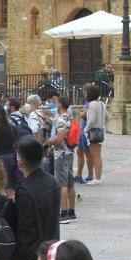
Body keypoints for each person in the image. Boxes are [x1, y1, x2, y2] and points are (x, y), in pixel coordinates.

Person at [11, 137, 61, 260]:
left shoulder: (25, 191)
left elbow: (25, 231)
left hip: (32, 258)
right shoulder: (52, 181)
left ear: (20, 160)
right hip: (51, 250)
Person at [46, 96, 76, 224]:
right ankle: (71, 212)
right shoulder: (69, 117)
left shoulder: (61, 119)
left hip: (61, 154)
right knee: (70, 183)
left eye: (57, 103)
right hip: (69, 152)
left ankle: (63, 213)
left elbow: (59, 138)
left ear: (60, 105)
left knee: (61, 184)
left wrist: (49, 141)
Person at [84, 84, 109, 186]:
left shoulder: (92, 105)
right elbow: (107, 117)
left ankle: (97, 178)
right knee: (98, 155)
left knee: (95, 156)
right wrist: (102, 124)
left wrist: (86, 130)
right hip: (100, 131)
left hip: (93, 131)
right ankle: (97, 177)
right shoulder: (102, 104)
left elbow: (91, 120)